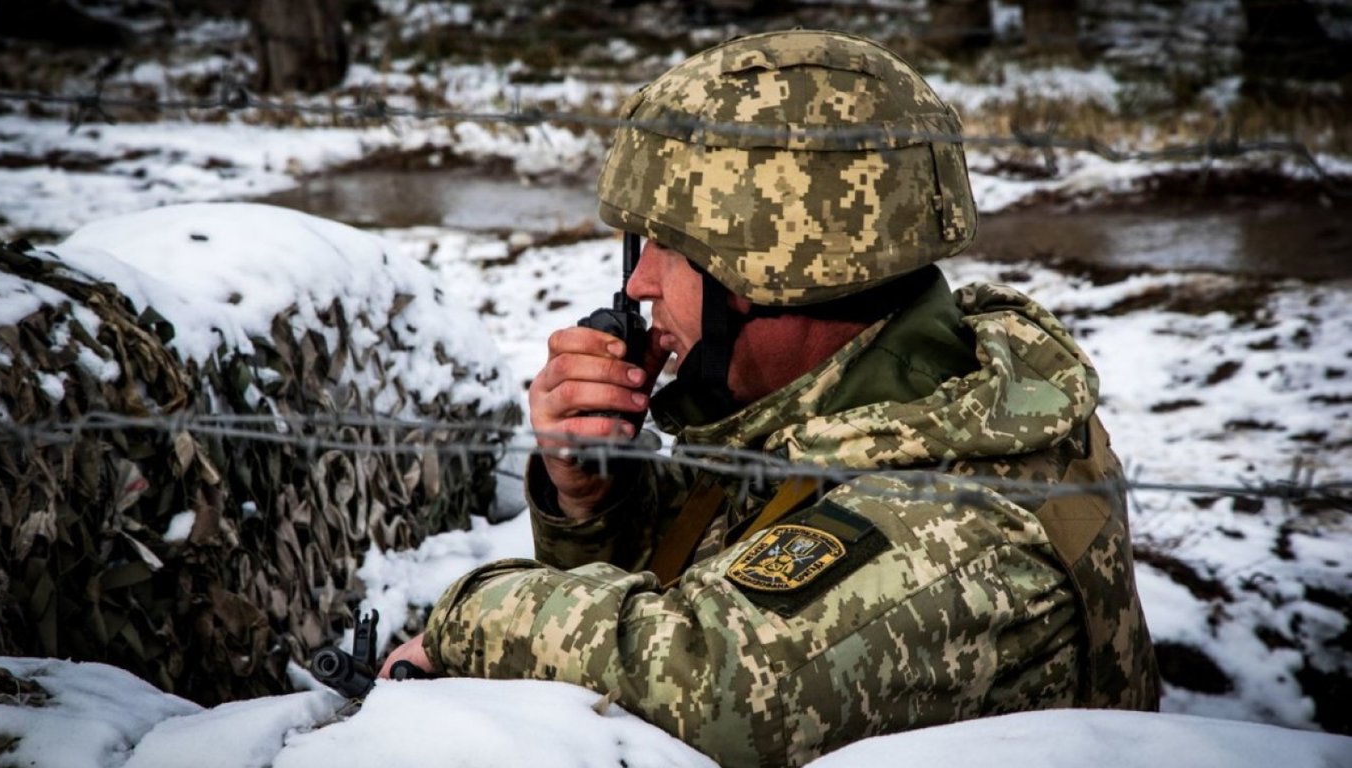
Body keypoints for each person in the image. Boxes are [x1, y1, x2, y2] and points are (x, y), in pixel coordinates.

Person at [382, 29, 1159, 767]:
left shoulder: (953, 522)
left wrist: (468, 622)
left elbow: (711, 685)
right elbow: (711, 565)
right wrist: (593, 495)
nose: (638, 284)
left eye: (669, 249)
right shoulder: (858, 405)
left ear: (777, 273)